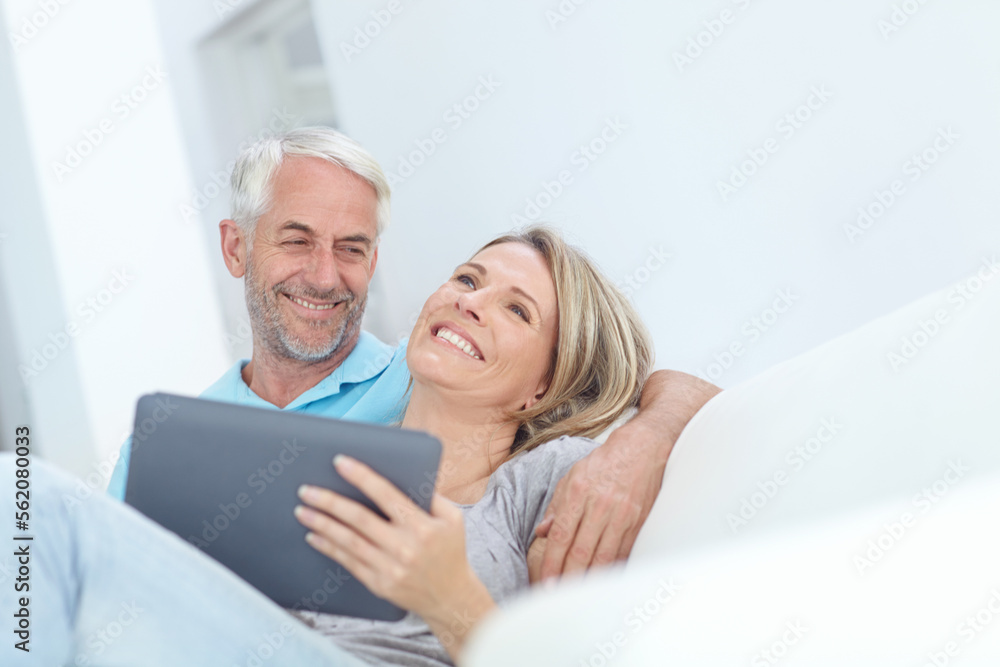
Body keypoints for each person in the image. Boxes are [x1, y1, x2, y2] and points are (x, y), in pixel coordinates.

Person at [9, 227, 664, 666]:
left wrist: (450, 595)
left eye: (517, 310)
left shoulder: (552, 477)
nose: (471, 302)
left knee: (31, 498)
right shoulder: (322, 454)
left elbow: (687, 397)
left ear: (545, 386)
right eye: (467, 280)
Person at [105, 126, 719, 578]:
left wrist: (639, 445)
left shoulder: (427, 372)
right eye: (297, 240)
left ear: (373, 261)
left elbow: (681, 390)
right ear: (237, 249)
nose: (324, 276)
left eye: (351, 248)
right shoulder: (167, 447)